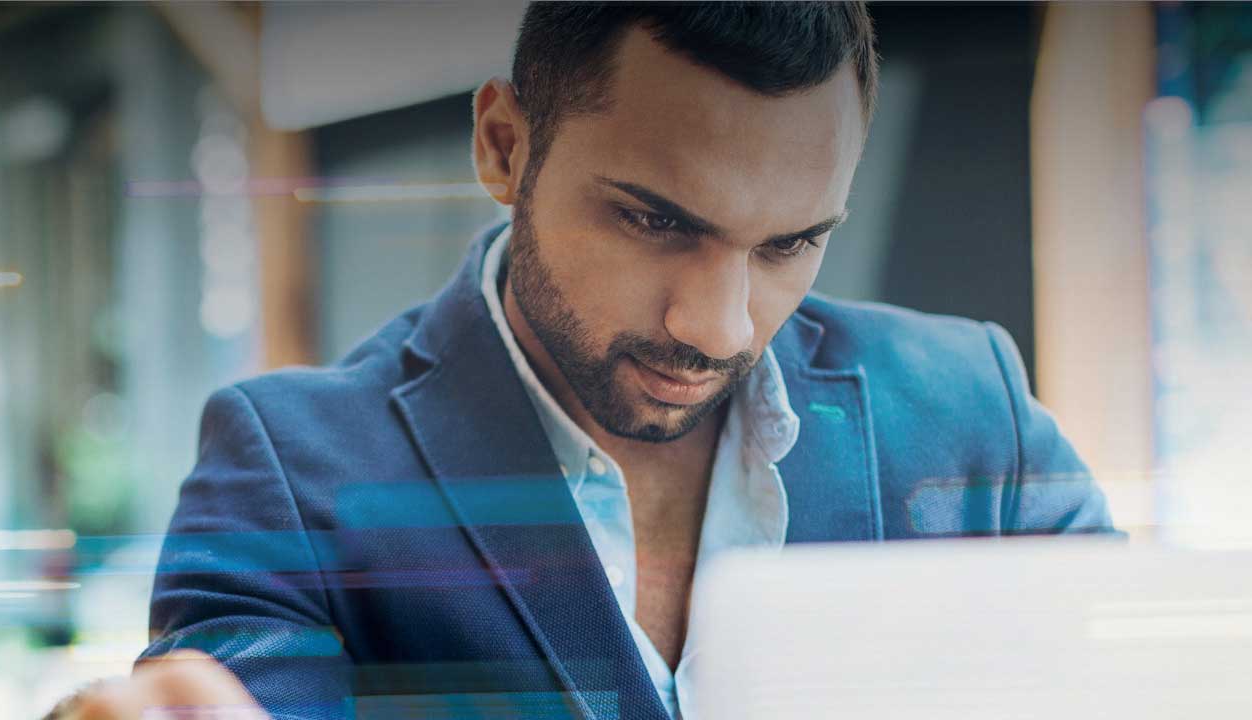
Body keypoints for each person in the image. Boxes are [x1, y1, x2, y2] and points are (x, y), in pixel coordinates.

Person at [62, 3, 1115, 719]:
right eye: (657, 221)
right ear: (505, 146)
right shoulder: (295, 472)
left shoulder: (971, 412)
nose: (718, 326)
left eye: (789, 243)